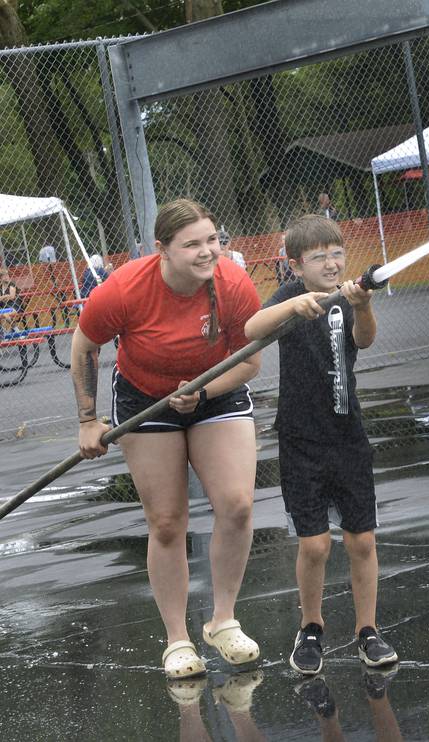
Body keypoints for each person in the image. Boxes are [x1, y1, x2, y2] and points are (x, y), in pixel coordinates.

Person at [71, 198, 263, 679]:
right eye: (192, 244)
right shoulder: (125, 289)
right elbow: (84, 345)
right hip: (146, 399)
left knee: (237, 504)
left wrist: (202, 390)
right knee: (166, 521)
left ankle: (223, 621)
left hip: (214, 392)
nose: (207, 252)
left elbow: (251, 361)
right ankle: (177, 639)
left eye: (212, 240)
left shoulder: (233, 283)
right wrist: (88, 420)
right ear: (162, 250)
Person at [244, 214, 398, 676]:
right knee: (314, 546)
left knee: (362, 540)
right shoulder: (291, 297)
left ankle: (367, 631)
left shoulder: (350, 295)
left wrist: (365, 306)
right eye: (319, 257)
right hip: (301, 439)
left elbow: (363, 341)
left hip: (347, 436)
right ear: (295, 264)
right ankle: (310, 627)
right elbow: (252, 328)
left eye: (337, 254)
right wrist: (294, 308)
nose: (331, 264)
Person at [0, 266, 24, 335]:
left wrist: (3, 297)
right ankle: (3, 332)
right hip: (5, 308)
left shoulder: (12, 284)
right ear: (0, 278)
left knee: (5, 314)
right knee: (4, 313)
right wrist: (6, 296)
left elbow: (12, 296)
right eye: (4, 276)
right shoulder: (0, 287)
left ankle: (17, 331)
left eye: (7, 275)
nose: (6, 277)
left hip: (14, 307)